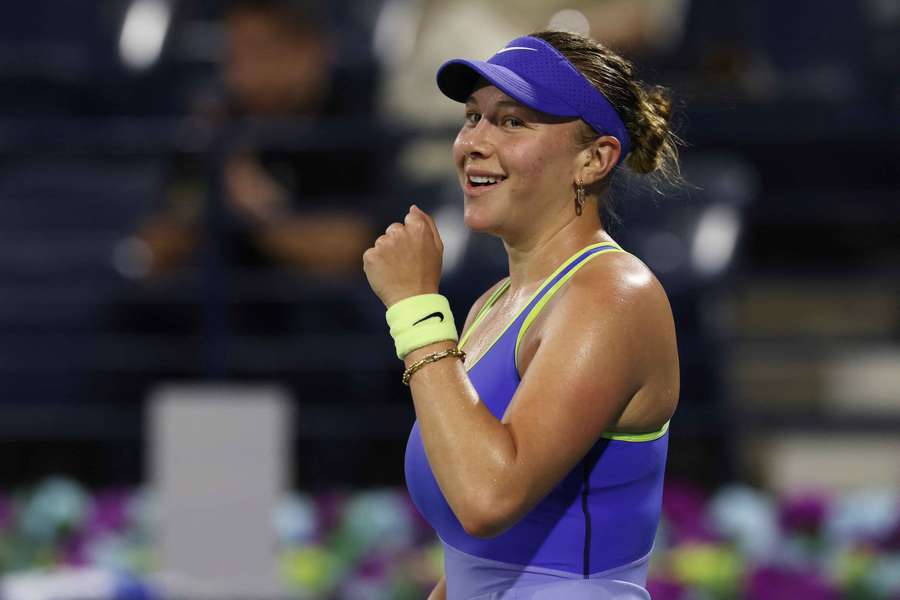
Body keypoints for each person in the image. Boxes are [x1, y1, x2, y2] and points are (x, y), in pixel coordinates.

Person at [363, 30, 681, 599]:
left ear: (594, 158)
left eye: (512, 122)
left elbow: (488, 499)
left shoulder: (614, 294)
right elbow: (477, 565)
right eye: (472, 117)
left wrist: (415, 309)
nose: (473, 143)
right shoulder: (492, 303)